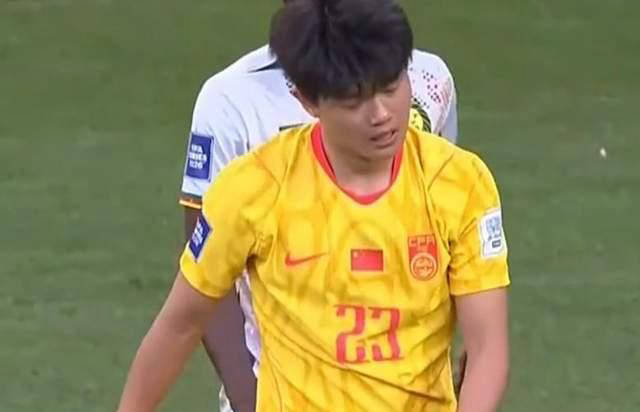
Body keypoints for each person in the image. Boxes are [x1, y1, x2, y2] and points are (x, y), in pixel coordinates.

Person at [117, 0, 509, 411]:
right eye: (354, 100)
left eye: (391, 88)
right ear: (306, 100)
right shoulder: (254, 189)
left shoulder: (460, 183)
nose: (381, 114)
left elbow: (487, 348)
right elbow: (180, 324)